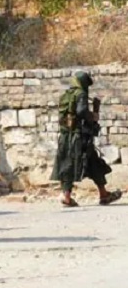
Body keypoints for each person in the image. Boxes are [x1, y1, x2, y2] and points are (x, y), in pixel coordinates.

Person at [50, 71, 122, 207]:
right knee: (94, 163)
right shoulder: (81, 94)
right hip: (79, 139)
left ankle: (67, 196)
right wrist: (94, 114)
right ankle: (104, 195)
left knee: (67, 165)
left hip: (66, 137)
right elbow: (81, 111)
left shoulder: (66, 95)